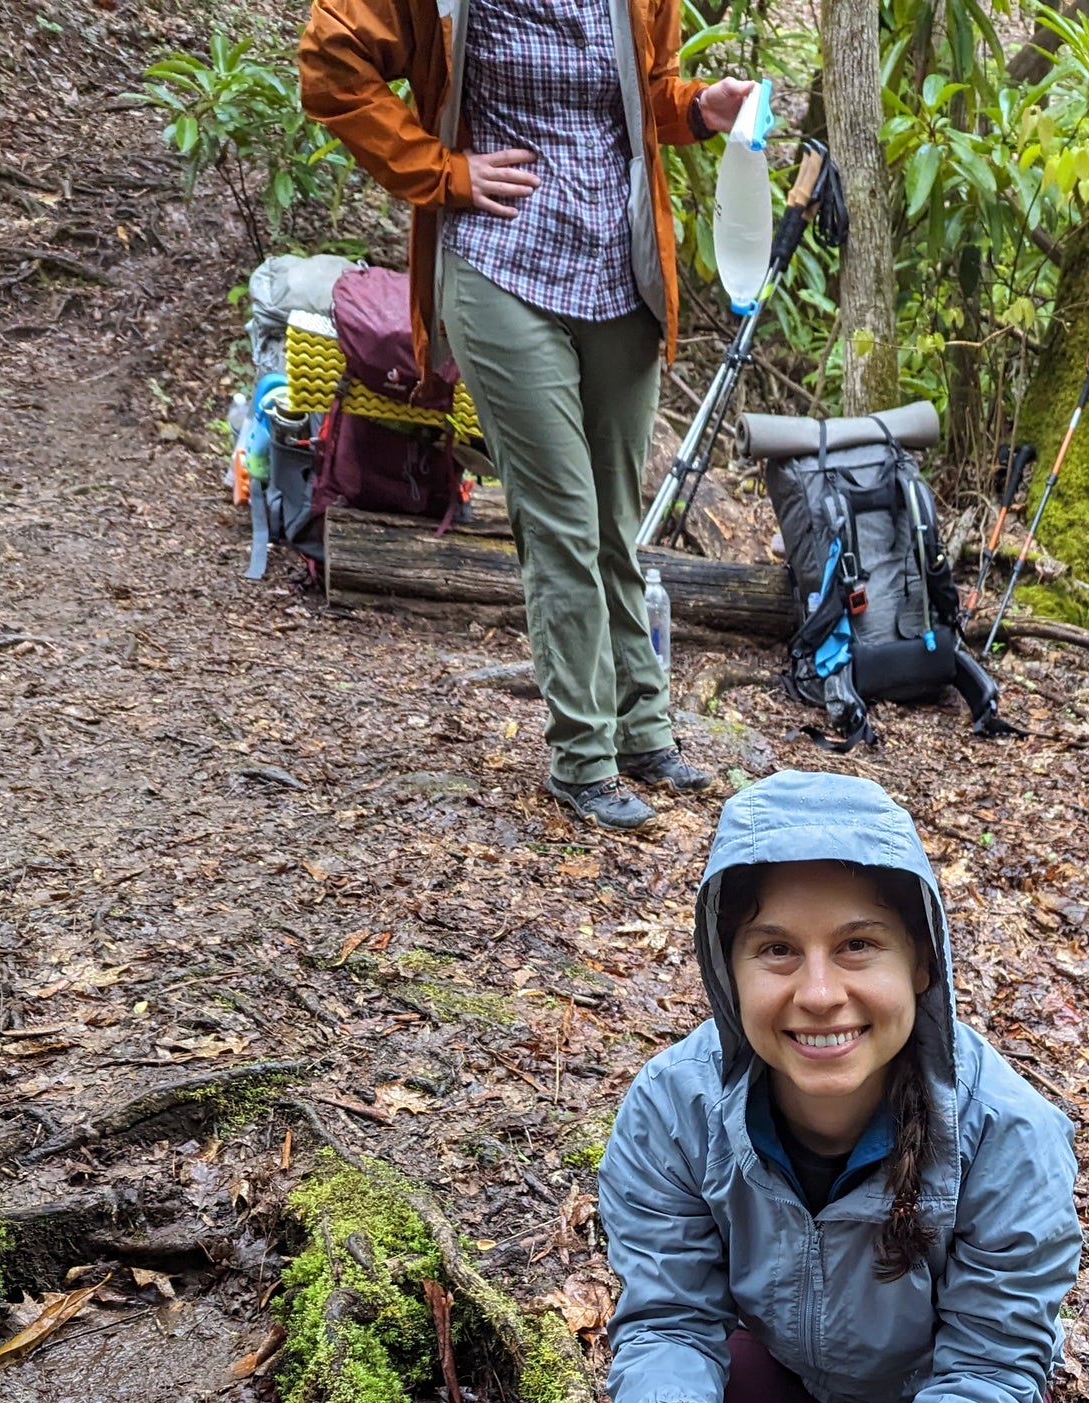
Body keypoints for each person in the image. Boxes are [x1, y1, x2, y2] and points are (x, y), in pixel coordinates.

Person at [596, 769, 1082, 1403]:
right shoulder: (670, 1107)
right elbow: (666, 1310)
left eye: (857, 945)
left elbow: (996, 1354)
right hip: (785, 1364)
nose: (818, 993)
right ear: (727, 971)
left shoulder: (1008, 1131)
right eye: (776, 950)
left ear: (921, 964)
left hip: (936, 1383)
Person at [299, 0, 751, 834]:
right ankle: (582, 758)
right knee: (562, 518)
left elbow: (634, 91)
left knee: (616, 517)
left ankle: (644, 731)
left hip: (620, 271)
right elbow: (332, 68)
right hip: (501, 266)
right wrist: (443, 171)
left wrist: (692, 109)